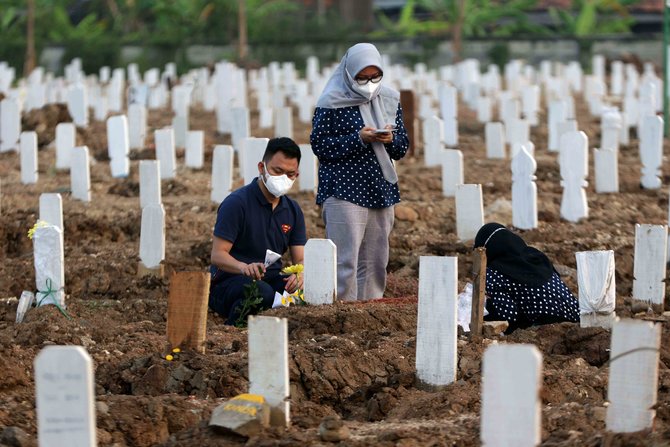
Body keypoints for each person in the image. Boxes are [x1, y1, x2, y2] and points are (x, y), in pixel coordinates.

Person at [310, 43, 409, 301]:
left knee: (376, 258)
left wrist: (389, 139)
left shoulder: (388, 99)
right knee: (346, 259)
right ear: (349, 73)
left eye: (374, 77)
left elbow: (402, 147)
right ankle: (343, 311)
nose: (369, 83)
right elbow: (320, 145)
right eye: (362, 78)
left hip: (379, 188)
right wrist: (358, 138)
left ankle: (370, 310)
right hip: (344, 188)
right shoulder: (332, 102)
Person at [209, 137, 306, 325]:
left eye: (290, 174)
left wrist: (300, 275)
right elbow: (218, 255)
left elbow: (300, 258)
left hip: (270, 279)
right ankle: (235, 329)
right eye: (277, 171)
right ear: (261, 168)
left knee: (306, 292)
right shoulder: (237, 203)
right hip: (230, 282)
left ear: (296, 175)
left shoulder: (293, 210)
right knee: (261, 293)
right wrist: (243, 267)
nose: (283, 178)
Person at [474, 223, 579, 332]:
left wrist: (488, 309)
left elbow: (509, 316)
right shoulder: (534, 255)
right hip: (575, 318)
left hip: (547, 327)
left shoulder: (494, 272)